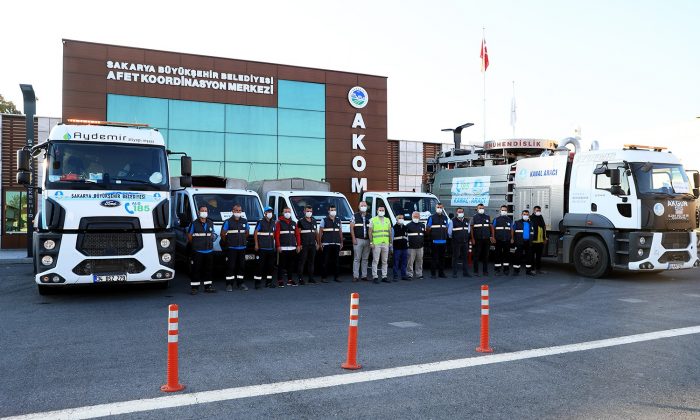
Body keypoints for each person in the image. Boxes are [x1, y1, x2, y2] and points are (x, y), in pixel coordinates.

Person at [187, 206, 216, 295]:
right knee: (196, 269)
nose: (204, 212)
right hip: (198, 251)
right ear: (199, 212)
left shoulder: (210, 222)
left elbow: (213, 234)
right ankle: (194, 288)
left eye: (206, 211)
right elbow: (189, 236)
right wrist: (196, 244)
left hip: (209, 250)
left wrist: (213, 237)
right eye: (202, 211)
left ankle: (208, 286)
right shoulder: (194, 223)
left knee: (208, 269)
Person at [220, 204, 249, 291]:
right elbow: (223, 234)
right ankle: (229, 284)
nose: (238, 212)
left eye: (240, 211)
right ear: (232, 211)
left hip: (242, 248)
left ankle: (241, 283)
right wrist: (229, 242)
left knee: (242, 266)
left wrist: (243, 240)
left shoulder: (244, 221)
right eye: (236, 210)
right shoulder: (228, 221)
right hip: (232, 248)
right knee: (231, 267)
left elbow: (247, 233)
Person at [318, 205, 343, 283]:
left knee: (337, 261)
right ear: (328, 211)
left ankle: (337, 277)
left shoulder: (338, 220)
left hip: (336, 243)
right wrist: (320, 243)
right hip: (326, 243)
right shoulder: (324, 220)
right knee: (325, 261)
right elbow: (320, 233)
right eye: (331, 210)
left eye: (334, 210)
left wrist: (341, 242)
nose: (333, 211)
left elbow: (340, 232)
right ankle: (324, 277)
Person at [470, 203, 495, 277]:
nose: (481, 209)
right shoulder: (474, 217)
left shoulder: (487, 217)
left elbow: (491, 227)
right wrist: (472, 238)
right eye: (480, 208)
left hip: (486, 239)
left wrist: (492, 236)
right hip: (477, 239)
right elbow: (471, 228)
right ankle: (476, 271)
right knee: (476, 256)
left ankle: (485, 271)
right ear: (477, 209)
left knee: (486, 256)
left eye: (482, 208)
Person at [369, 205, 393, 283]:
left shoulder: (387, 220)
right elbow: (370, 232)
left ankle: (384, 276)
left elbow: (389, 231)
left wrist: (390, 242)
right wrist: (371, 242)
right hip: (376, 243)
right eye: (380, 210)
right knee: (375, 260)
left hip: (385, 243)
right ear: (377, 211)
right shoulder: (373, 220)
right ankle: (375, 277)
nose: (381, 211)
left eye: (383, 210)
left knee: (385, 261)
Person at [275, 207, 298, 287]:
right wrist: (278, 246)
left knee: (291, 265)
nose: (287, 213)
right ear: (283, 213)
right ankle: (280, 280)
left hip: (292, 247)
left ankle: (290, 280)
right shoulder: (279, 223)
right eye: (286, 211)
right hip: (283, 247)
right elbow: (277, 236)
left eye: (289, 211)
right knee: (281, 265)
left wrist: (298, 245)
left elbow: (297, 235)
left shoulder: (293, 223)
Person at [426, 203, 450, 278]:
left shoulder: (445, 218)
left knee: (442, 258)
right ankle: (433, 274)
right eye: (438, 207)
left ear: (443, 208)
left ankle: (441, 273)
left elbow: (446, 228)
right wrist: (431, 236)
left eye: (440, 207)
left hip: (443, 241)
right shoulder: (431, 217)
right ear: (435, 208)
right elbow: (428, 229)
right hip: (434, 241)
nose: (439, 208)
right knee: (434, 258)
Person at [296, 205, 319, 285]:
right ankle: (300, 278)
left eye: (310, 211)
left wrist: (318, 243)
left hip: (312, 245)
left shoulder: (314, 221)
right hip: (304, 245)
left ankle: (311, 278)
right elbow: (298, 234)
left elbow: (316, 233)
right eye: (307, 211)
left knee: (311, 262)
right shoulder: (300, 221)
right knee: (302, 262)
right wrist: (299, 244)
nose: (309, 213)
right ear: (304, 212)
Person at [255, 206, 276, 289]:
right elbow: (255, 233)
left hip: (270, 247)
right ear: (265, 213)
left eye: (271, 211)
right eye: (268, 211)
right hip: (262, 247)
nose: (270, 213)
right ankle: (257, 283)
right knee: (260, 266)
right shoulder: (260, 222)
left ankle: (269, 282)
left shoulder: (273, 222)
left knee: (270, 266)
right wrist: (256, 244)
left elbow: (273, 234)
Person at [350, 201, 371, 282]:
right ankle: (355, 276)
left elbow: (371, 229)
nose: (363, 206)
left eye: (365, 205)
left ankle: (364, 276)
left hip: (367, 240)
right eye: (362, 205)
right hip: (358, 240)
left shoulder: (370, 216)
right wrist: (353, 238)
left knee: (365, 259)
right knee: (357, 258)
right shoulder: (354, 216)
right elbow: (351, 228)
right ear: (359, 207)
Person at [511, 209, 535, 276]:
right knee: (517, 256)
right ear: (522, 215)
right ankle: (516, 271)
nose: (525, 216)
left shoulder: (531, 223)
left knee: (529, 257)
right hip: (519, 242)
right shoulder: (517, 222)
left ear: (529, 215)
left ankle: (528, 271)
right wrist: (512, 238)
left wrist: (532, 240)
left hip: (528, 242)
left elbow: (532, 232)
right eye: (524, 214)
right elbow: (512, 230)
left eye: (527, 215)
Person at [449, 207, 471, 278]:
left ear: (463, 212)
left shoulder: (467, 220)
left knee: (465, 258)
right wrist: (456, 238)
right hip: (456, 243)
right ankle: (454, 273)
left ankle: (465, 272)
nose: (460, 213)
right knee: (456, 257)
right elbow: (449, 232)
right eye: (459, 212)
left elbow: (468, 231)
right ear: (456, 212)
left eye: (461, 211)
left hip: (465, 242)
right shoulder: (453, 221)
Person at [492, 205, 513, 276]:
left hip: (507, 239)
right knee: (497, 254)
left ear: (507, 211)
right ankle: (497, 269)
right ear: (500, 211)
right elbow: (493, 228)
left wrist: (512, 238)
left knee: (506, 255)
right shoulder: (496, 219)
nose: (504, 211)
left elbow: (511, 230)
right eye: (502, 210)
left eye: (505, 210)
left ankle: (506, 269)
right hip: (498, 240)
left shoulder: (510, 220)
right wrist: (493, 237)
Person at [406, 211, 425, 280]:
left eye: (417, 216)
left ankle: (419, 274)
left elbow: (423, 235)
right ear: (412, 217)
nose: (416, 218)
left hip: (420, 247)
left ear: (419, 217)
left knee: (419, 261)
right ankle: (409, 274)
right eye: (414, 216)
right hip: (411, 247)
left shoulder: (422, 225)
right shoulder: (408, 225)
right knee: (410, 262)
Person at [530, 205, 548, 274]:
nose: (538, 212)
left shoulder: (541, 217)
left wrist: (545, 238)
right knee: (531, 256)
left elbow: (544, 228)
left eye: (539, 210)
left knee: (539, 257)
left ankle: (538, 269)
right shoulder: (531, 218)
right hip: (533, 241)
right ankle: (532, 269)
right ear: (534, 210)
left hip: (540, 241)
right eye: (537, 210)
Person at [392, 214, 408, 281]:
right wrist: (391, 248)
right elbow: (392, 238)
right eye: (400, 218)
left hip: (404, 247)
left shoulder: (405, 227)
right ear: (397, 219)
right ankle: (395, 276)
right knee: (396, 262)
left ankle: (403, 275)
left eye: (402, 218)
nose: (401, 219)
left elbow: (407, 237)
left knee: (404, 262)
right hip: (397, 248)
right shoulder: (393, 227)